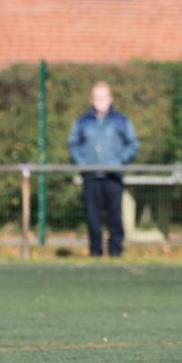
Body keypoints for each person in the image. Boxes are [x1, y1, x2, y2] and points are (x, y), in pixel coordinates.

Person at [68, 82, 139, 257]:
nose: (100, 100)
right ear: (92, 99)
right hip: (91, 176)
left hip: (113, 176)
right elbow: (73, 144)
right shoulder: (83, 121)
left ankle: (115, 250)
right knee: (92, 217)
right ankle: (95, 251)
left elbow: (132, 143)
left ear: (110, 99)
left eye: (104, 97)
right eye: (97, 97)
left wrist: (119, 162)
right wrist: (82, 164)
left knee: (115, 215)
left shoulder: (120, 120)